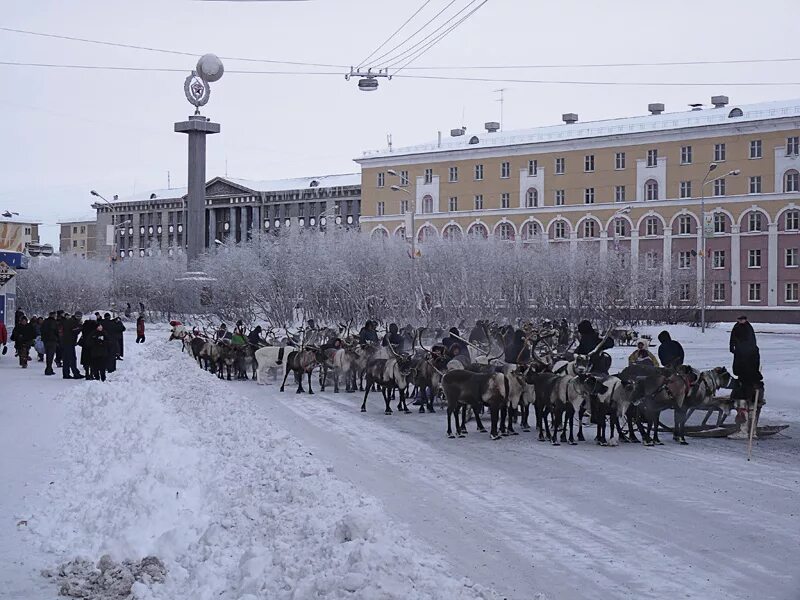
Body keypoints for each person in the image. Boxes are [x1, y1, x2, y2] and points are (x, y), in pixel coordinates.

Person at [730, 315, 762, 385]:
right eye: (739, 320)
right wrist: (731, 347)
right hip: (739, 350)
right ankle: (741, 379)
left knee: (748, 366)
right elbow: (732, 337)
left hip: (747, 350)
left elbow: (752, 338)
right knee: (739, 366)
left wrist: (751, 348)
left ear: (745, 320)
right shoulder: (736, 327)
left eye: (742, 320)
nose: (741, 321)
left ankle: (748, 381)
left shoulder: (748, 327)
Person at [59, 313, 84, 379]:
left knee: (66, 359)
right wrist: (81, 327)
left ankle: (66, 374)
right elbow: (74, 330)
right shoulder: (73, 322)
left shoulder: (69, 321)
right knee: (72, 358)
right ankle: (75, 373)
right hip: (69, 342)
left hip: (65, 341)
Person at [40, 311, 59, 376]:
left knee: (48, 355)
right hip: (52, 340)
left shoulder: (45, 322)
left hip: (46, 340)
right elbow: (56, 331)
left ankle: (49, 369)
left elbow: (42, 330)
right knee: (50, 355)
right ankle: (48, 369)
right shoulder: (54, 322)